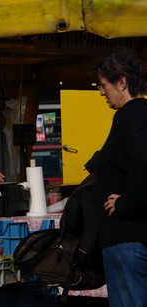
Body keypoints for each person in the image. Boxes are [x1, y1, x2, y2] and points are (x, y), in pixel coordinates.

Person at [90, 47, 147, 306]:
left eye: (103, 85)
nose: (101, 92)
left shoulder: (129, 115)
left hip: (127, 239)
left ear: (122, 82)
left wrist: (125, 202)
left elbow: (144, 160)